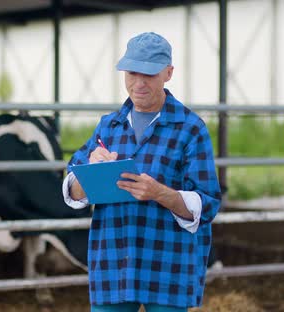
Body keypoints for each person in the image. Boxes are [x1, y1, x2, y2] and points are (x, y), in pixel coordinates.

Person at [62, 32, 221, 312]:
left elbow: (207, 203)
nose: (139, 83)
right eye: (132, 72)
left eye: (149, 73)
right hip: (113, 260)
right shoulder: (108, 127)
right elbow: (71, 189)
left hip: (167, 262)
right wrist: (90, 171)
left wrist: (161, 193)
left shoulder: (190, 128)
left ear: (168, 73)